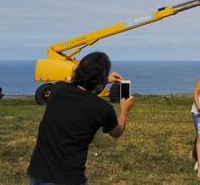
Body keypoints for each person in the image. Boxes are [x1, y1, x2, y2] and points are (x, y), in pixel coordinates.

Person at [27, 52, 134, 185]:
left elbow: (76, 84)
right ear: (100, 79)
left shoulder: (58, 90)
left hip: (37, 173)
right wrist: (124, 110)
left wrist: (103, 79)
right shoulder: (102, 108)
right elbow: (116, 132)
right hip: (66, 178)